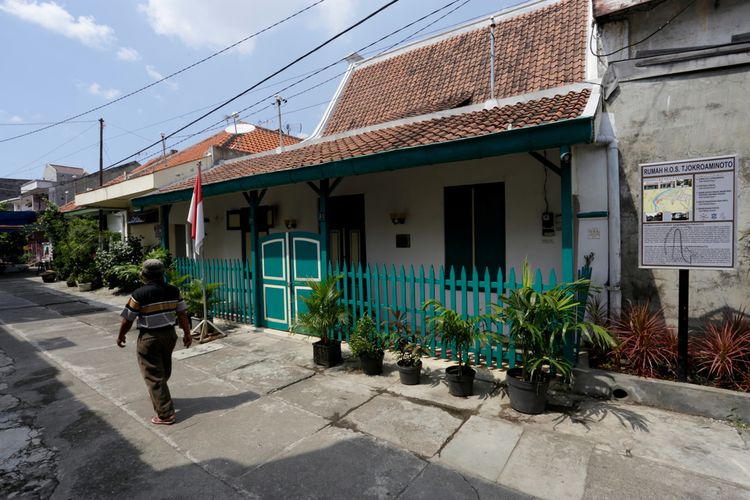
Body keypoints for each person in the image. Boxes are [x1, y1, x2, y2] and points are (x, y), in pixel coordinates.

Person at [117, 259, 192, 425]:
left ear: (144, 274)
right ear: (162, 273)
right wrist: (187, 334)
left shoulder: (139, 294)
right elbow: (182, 314)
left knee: (153, 374)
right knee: (163, 369)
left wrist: (121, 335)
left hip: (149, 337)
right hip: (169, 335)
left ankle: (165, 414)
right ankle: (160, 394)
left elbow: (128, 319)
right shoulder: (174, 290)